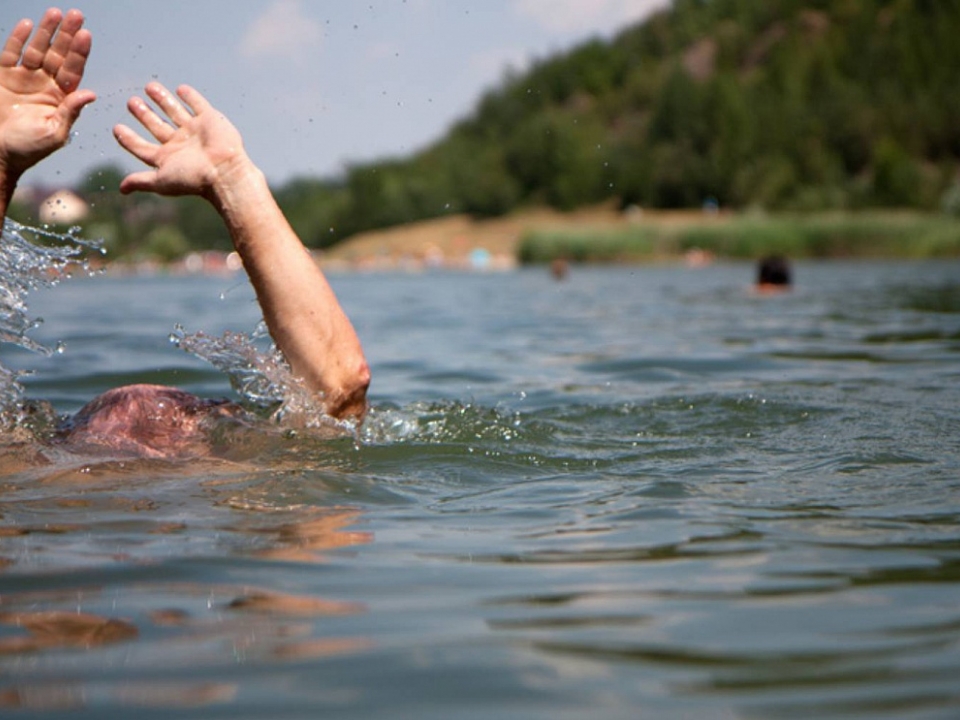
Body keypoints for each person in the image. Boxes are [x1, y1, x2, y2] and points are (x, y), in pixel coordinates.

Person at [1, 9, 370, 458]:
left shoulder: (28, 477)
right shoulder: (242, 485)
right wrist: (233, 182)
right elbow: (338, 391)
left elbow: (342, 390)